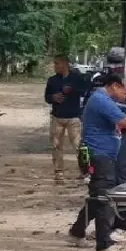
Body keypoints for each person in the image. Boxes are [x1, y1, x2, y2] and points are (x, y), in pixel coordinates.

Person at [72, 74, 126, 251]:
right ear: (114, 86)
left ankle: (76, 231)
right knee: (104, 197)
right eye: (124, 89)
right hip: (99, 155)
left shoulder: (100, 99)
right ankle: (104, 243)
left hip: (100, 154)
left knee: (97, 196)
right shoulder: (102, 100)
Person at [44, 54, 88, 184]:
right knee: (56, 145)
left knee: (79, 145)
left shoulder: (77, 78)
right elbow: (46, 97)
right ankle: (59, 172)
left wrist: (72, 90)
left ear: (65, 64)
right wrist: (53, 97)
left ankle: (84, 171)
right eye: (54, 63)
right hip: (57, 117)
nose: (55, 66)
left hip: (73, 117)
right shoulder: (52, 80)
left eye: (57, 63)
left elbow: (84, 91)